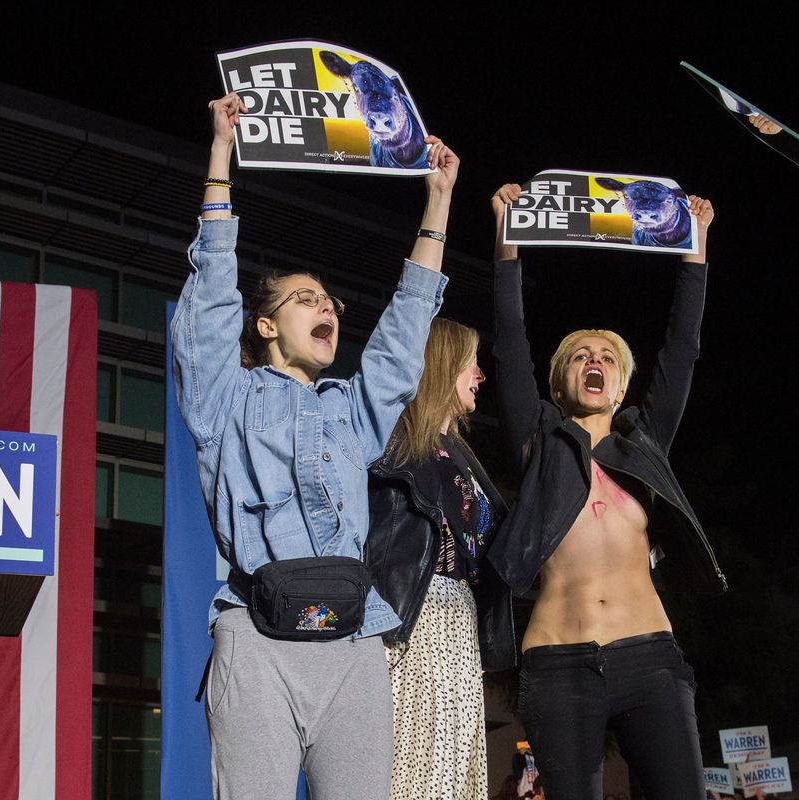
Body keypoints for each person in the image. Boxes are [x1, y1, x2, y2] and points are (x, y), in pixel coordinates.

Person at [170, 91, 456, 799]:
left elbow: (402, 337)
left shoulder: (351, 410)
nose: (325, 306)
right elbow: (210, 298)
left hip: (355, 642)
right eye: (304, 300)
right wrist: (219, 157)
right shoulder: (224, 395)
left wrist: (438, 203)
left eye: (329, 299)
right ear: (265, 327)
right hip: (257, 636)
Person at [487, 183, 725, 799]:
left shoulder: (644, 443)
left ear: (620, 387)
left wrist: (693, 255)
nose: (594, 360)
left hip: (649, 657)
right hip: (556, 664)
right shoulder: (538, 439)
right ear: (559, 384)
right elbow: (510, 339)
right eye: (579, 356)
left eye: (607, 358)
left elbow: (683, 351)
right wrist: (507, 238)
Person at [365, 317, 515, 799]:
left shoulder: (460, 453)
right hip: (418, 615)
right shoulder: (399, 440)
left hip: (459, 619)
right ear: (442, 365)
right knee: (419, 767)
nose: (480, 374)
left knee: (453, 770)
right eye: (471, 362)